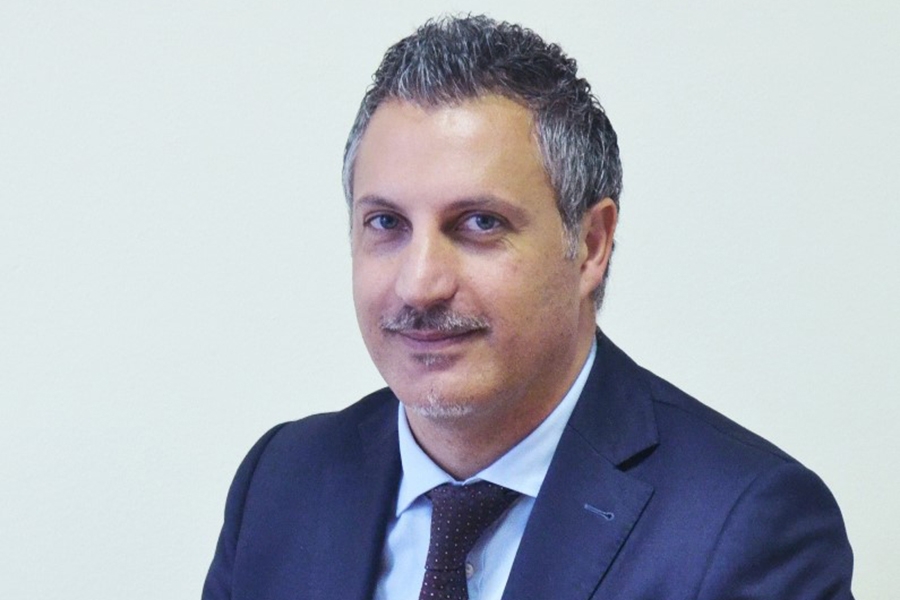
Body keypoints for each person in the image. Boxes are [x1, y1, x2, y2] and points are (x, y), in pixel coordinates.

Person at [203, 15, 854, 600]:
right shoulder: (282, 482)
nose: (419, 285)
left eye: (479, 223)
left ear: (591, 245)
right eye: (386, 223)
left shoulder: (746, 527)